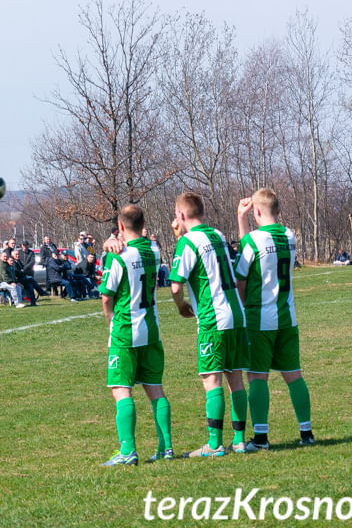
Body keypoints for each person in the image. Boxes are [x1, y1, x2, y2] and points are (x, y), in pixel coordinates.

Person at [169, 192, 249, 457]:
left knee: (211, 379)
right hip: (237, 314)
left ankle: (214, 445)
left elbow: (175, 284)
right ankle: (239, 441)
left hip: (213, 318)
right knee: (235, 378)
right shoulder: (217, 234)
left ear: (181, 215)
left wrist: (181, 306)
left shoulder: (187, 242)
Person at [235, 189, 314, 451]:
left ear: (256, 211)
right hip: (287, 317)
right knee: (294, 376)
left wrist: (244, 305)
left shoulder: (252, 240)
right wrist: (244, 222)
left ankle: (260, 438)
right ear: (278, 211)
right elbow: (259, 243)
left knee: (257, 377)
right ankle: (306, 432)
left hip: (260, 317)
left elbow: (241, 278)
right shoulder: (289, 236)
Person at [100, 205, 174, 466]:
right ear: (143, 224)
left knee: (121, 389)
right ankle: (166, 448)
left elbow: (106, 295)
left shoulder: (117, 256)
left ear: (120, 227)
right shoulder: (154, 251)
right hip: (151, 330)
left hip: (125, 331)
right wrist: (112, 240)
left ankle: (128, 450)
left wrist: (109, 319)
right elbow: (139, 243)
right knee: (155, 389)